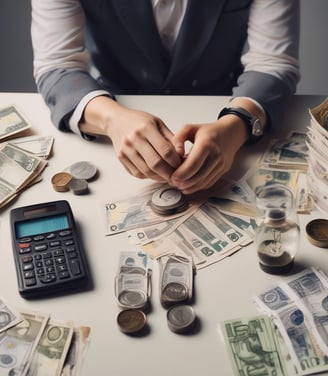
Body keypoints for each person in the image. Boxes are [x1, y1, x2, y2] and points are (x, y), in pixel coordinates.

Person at [31, 0, 300, 194]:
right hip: (112, 115)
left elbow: (272, 63)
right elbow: (57, 63)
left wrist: (237, 125)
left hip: (223, 108)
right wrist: (112, 120)